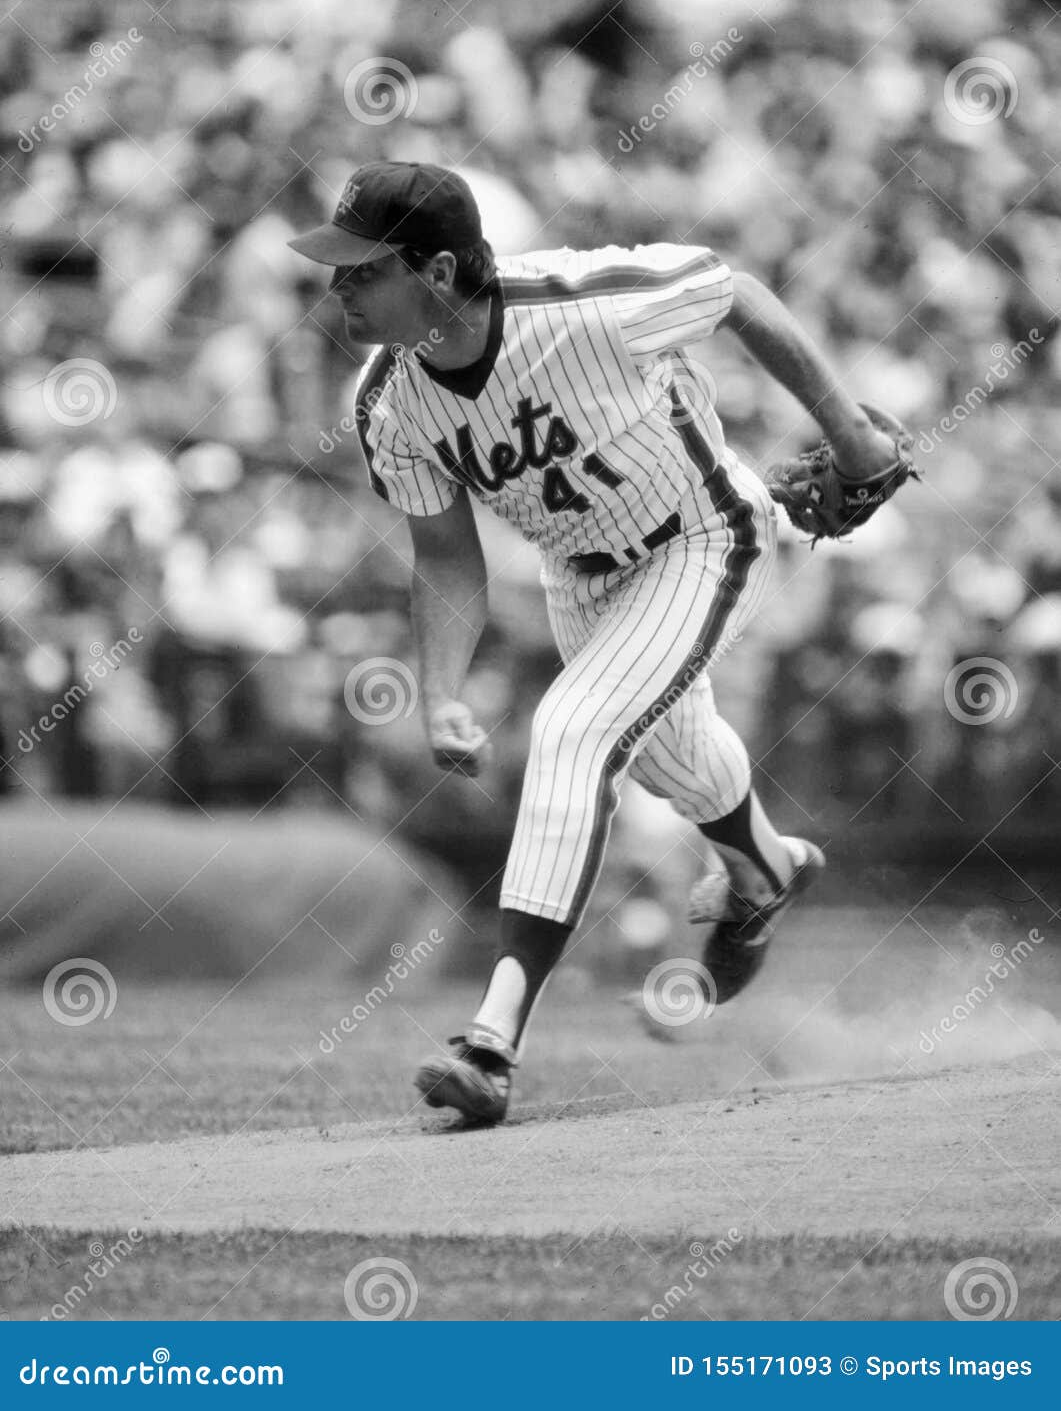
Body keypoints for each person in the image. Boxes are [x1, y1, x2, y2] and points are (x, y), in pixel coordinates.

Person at [288, 162, 900, 1127]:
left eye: (362, 271)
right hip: (580, 578)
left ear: (438, 272)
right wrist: (438, 690)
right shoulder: (386, 404)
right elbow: (445, 560)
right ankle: (765, 866)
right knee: (678, 762)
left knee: (573, 730)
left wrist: (848, 428)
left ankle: (491, 1042)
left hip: (701, 538)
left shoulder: (583, 302)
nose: (338, 291)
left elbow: (732, 290)